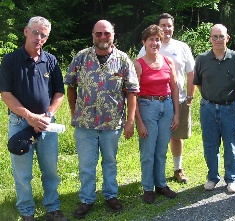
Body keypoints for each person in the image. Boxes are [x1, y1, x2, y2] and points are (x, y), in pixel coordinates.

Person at [64, 20, 139, 219]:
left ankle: (110, 196)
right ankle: (86, 199)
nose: (103, 37)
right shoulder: (81, 57)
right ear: (93, 35)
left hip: (111, 123)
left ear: (113, 35)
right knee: (87, 165)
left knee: (110, 162)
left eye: (106, 33)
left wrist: (130, 121)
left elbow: (132, 92)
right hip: (85, 124)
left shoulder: (123, 60)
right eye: (99, 34)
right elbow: (70, 86)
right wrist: (74, 113)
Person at [0, 16, 69, 221]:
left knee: (51, 171)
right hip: (20, 123)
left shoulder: (51, 60)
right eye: (36, 32)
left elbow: (59, 92)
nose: (39, 37)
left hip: (47, 125)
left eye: (43, 35)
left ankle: (52, 208)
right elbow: (6, 95)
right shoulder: (10, 60)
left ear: (46, 39)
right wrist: (29, 117)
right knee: (22, 175)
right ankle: (26, 212)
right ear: (26, 31)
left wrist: (48, 115)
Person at [137, 13, 195, 183]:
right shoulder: (148, 46)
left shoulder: (181, 47)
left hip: (177, 99)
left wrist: (190, 95)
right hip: (150, 102)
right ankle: (151, 179)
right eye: (163, 25)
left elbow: (191, 73)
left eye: (169, 25)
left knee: (175, 136)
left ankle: (177, 169)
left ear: (173, 27)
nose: (166, 28)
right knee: (153, 141)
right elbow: (137, 74)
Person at [193, 24, 235, 193]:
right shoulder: (202, 59)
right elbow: (199, 83)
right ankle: (212, 177)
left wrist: (228, 99)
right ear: (210, 39)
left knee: (230, 145)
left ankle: (232, 179)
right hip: (208, 108)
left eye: (221, 36)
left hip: (230, 108)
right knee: (210, 145)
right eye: (214, 36)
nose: (218, 40)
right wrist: (211, 99)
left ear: (227, 38)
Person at [134, 24, 180, 204]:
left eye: (158, 40)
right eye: (151, 39)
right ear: (144, 42)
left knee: (161, 150)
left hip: (166, 106)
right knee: (148, 151)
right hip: (147, 107)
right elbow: (133, 95)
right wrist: (139, 122)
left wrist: (176, 114)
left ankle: (161, 184)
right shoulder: (138, 65)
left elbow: (174, 88)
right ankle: (147, 187)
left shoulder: (168, 62)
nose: (155, 43)